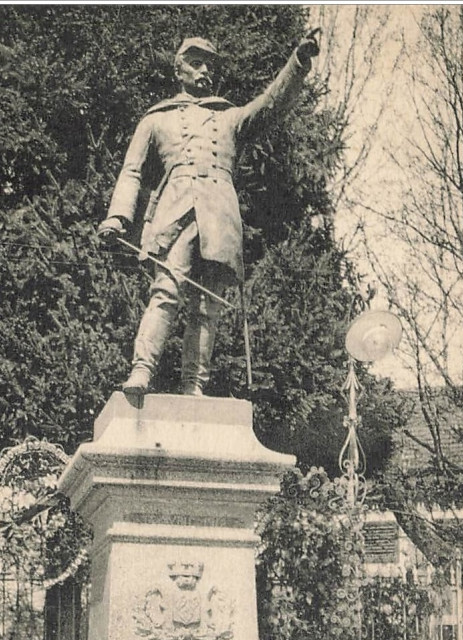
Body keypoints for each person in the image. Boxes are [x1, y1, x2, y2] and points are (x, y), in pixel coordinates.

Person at [98, 31, 320, 396]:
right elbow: (132, 170)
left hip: (218, 217)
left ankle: (194, 386)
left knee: (207, 306)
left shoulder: (228, 117)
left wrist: (297, 63)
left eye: (209, 64)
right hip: (175, 212)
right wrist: (118, 216)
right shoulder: (156, 119)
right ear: (178, 70)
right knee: (165, 291)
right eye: (195, 62)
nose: (204, 70)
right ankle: (142, 370)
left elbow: (270, 106)